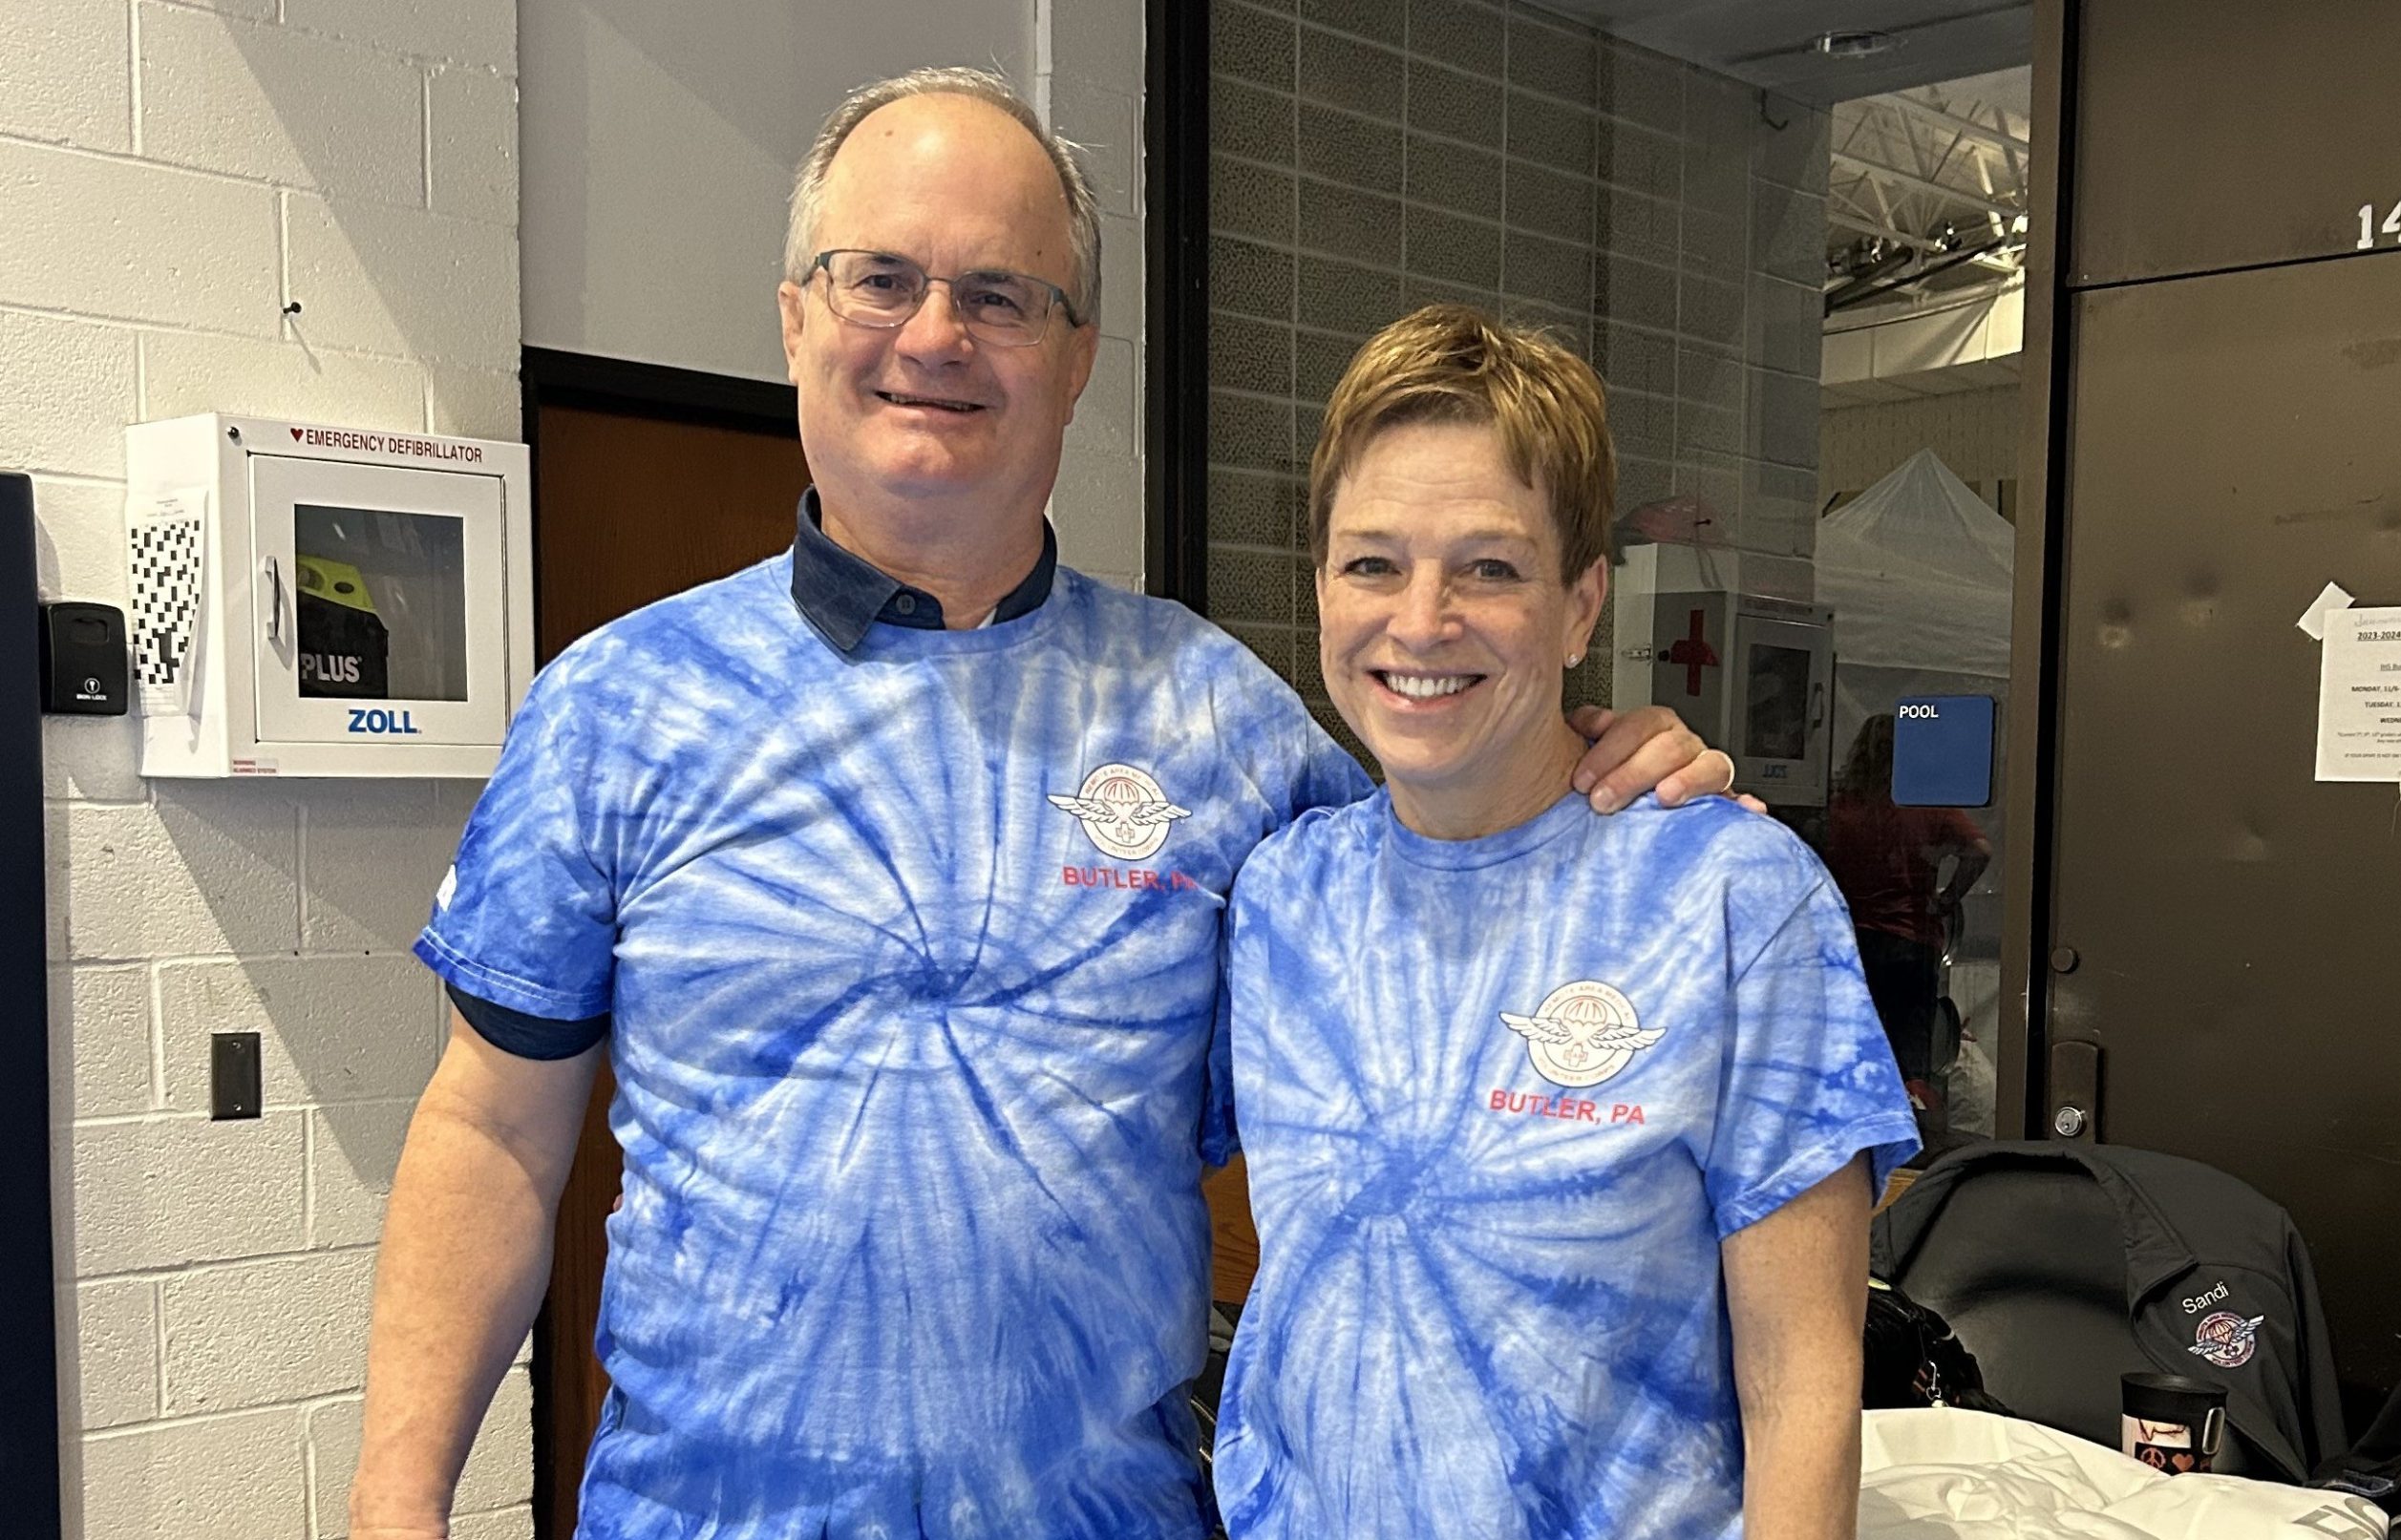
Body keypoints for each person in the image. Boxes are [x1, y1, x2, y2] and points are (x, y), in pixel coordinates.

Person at [348, 70, 1737, 1540]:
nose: (936, 336)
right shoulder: (619, 707)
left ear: (1078, 358)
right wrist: (396, 1502)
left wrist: (1601, 760)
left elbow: (1474, 906)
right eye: (880, 277)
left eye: (1003, 296)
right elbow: (495, 1133)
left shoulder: (1223, 727)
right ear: (795, 317)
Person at [1210, 306, 1921, 1540]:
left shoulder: (1733, 900)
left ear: (1583, 603)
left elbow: (1805, 1383)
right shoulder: (1280, 895)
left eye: (1489, 566)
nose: (1420, 620)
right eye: (1372, 561)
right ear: (1319, 585)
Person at [1821, 713, 1992, 1129]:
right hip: (1912, 940)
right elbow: (1980, 850)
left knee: (1855, 1045)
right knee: (1913, 1058)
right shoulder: (1927, 803)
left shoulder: (1841, 807)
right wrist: (1948, 898)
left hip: (1853, 942)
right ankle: (1917, 1143)